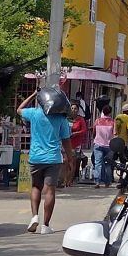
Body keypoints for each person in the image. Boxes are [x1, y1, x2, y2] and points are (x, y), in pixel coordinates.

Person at [17, 88, 73, 234]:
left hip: (35, 158)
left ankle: (34, 216)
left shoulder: (34, 113)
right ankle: (45, 225)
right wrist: (70, 159)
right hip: (53, 158)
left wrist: (33, 95)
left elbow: (19, 109)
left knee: (36, 186)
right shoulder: (61, 119)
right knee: (50, 190)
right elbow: (66, 141)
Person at [91, 104, 115, 188]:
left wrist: (95, 139)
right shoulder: (112, 122)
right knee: (108, 164)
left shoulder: (97, 121)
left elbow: (94, 132)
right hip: (109, 146)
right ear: (110, 112)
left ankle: (97, 182)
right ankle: (107, 182)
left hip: (98, 144)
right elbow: (115, 133)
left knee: (98, 163)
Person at [66, 102, 88, 187]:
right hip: (67, 143)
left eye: (75, 109)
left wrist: (76, 133)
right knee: (66, 162)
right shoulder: (67, 119)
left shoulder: (80, 119)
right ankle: (65, 179)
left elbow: (84, 130)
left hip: (76, 144)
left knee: (74, 162)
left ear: (78, 110)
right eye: (72, 108)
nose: (73, 110)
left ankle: (71, 180)